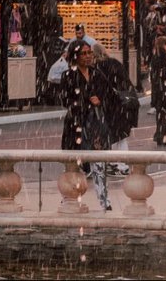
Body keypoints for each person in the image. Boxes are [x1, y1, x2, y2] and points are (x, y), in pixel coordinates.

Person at [61, 41, 111, 211]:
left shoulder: (97, 74)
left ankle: (104, 200)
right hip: (76, 123)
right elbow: (65, 100)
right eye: (84, 53)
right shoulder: (69, 76)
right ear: (75, 56)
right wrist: (84, 101)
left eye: (90, 52)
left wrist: (100, 100)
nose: (88, 56)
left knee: (98, 162)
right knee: (74, 163)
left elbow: (109, 92)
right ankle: (69, 199)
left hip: (94, 123)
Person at [93, 44, 138, 173]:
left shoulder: (97, 68)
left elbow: (100, 89)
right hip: (123, 103)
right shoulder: (114, 63)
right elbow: (125, 81)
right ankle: (121, 165)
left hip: (110, 105)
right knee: (121, 136)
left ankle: (116, 164)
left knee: (111, 135)